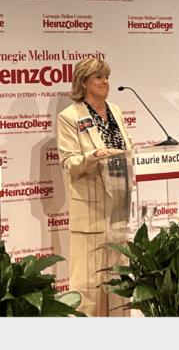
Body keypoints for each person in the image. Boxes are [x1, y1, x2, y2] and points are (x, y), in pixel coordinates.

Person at [56, 58, 133, 317]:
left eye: (107, 77)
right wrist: (95, 155)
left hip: (119, 209)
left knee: (118, 286)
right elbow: (69, 163)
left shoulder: (116, 111)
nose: (105, 82)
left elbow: (126, 148)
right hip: (90, 212)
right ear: (84, 82)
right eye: (99, 77)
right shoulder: (69, 117)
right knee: (88, 288)